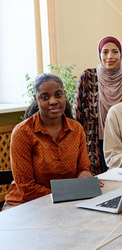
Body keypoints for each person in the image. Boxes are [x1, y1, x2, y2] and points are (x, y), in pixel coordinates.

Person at [5, 74, 94, 206]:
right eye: (45, 97)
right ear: (36, 100)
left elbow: (82, 168)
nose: (53, 101)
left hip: (66, 201)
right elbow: (26, 188)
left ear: (64, 96)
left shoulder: (76, 129)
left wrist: (85, 178)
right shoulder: (22, 133)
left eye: (58, 95)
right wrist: (66, 193)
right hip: (25, 205)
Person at [73, 36, 122, 175]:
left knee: (121, 181)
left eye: (115, 51)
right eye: (105, 52)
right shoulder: (88, 77)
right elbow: (76, 113)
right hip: (93, 142)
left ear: (121, 54)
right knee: (98, 184)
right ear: (99, 54)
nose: (110, 56)